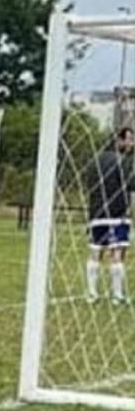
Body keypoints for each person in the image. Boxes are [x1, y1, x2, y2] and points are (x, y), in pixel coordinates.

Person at [85, 127, 134, 305]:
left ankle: (92, 294)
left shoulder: (94, 161)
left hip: (96, 213)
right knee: (117, 252)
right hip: (117, 214)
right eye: (129, 140)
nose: (131, 144)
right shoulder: (124, 161)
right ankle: (117, 295)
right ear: (118, 141)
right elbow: (131, 184)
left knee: (95, 250)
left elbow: (88, 184)